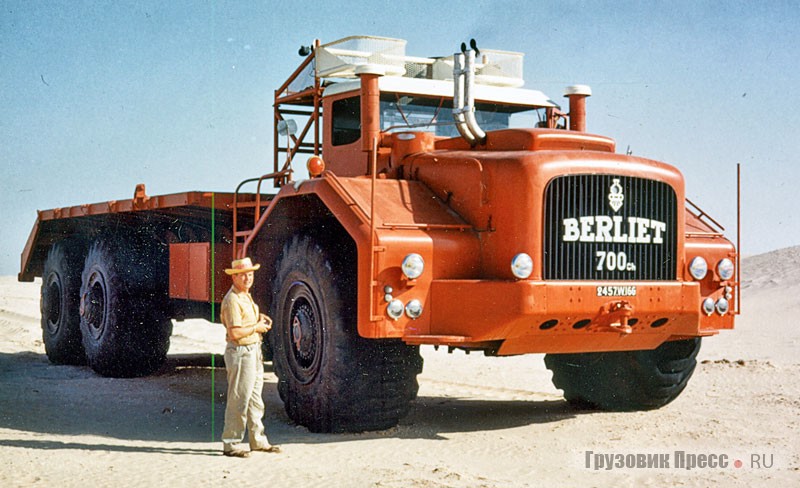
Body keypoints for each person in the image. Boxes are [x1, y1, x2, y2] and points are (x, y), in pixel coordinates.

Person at [220, 257, 280, 458]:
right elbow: (235, 333)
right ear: (234, 277)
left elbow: (243, 324)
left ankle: (258, 441)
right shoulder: (232, 300)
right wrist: (257, 327)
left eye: (251, 274)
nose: (248, 278)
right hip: (241, 353)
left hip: (252, 351)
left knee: (255, 399)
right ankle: (231, 443)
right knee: (239, 399)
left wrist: (258, 319)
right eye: (243, 275)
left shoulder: (244, 296)